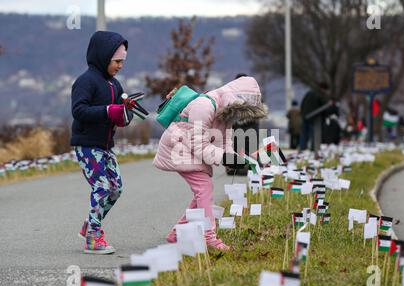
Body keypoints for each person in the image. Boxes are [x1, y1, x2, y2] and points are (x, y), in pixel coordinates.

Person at [153, 76, 267, 251]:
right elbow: (199, 145)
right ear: (234, 100)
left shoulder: (226, 113)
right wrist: (225, 159)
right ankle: (209, 236)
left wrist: (235, 158)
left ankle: (177, 233)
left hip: (191, 150)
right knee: (204, 188)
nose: (239, 116)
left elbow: (225, 142)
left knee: (202, 192)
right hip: (180, 148)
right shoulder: (204, 106)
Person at [71, 31, 130, 255]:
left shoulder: (115, 85)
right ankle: (93, 238)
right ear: (104, 57)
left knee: (116, 189)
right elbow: (79, 110)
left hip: (106, 146)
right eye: (117, 61)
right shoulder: (85, 81)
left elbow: (122, 114)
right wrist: (108, 111)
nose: (120, 66)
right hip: (86, 144)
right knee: (103, 186)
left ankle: (89, 225)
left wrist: (125, 114)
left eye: (123, 61)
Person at [299, 83, 330, 150]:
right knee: (313, 135)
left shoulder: (309, 93)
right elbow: (324, 107)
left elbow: (302, 104)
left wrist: (302, 114)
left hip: (305, 117)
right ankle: (313, 149)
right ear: (323, 89)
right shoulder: (320, 95)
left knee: (304, 135)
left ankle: (302, 148)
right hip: (314, 119)